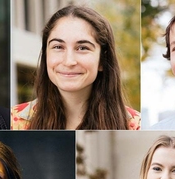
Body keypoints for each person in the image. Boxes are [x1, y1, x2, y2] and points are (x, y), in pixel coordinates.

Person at [11, 5, 140, 130]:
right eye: (58, 47)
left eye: (82, 48)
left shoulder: (134, 125)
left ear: (102, 60)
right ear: (46, 55)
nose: (69, 61)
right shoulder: (12, 121)